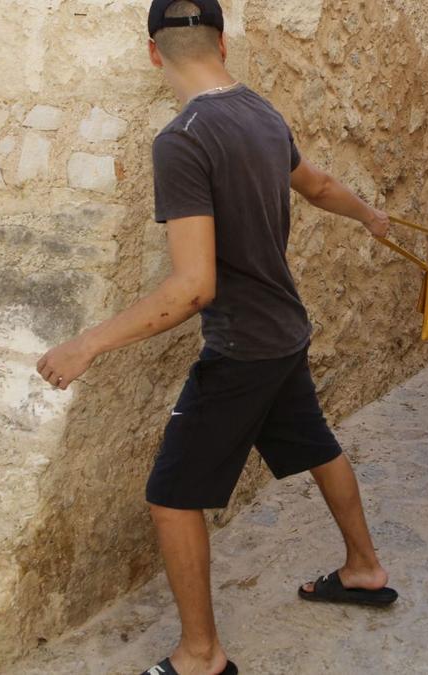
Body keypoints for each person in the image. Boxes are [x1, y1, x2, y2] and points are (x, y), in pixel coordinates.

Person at [36, 2, 397, 674]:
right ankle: (365, 567)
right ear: (222, 44)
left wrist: (85, 344)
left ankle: (200, 655)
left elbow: (192, 287)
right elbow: (316, 184)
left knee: (171, 496)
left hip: (242, 349)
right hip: (285, 330)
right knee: (316, 443)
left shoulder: (183, 139)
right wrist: (369, 213)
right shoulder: (261, 111)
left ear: (153, 53)